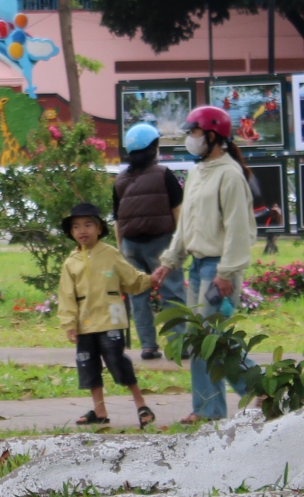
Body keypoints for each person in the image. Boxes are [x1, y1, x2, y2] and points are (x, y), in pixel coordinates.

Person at [153, 105, 256, 424]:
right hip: (198, 266)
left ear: (212, 136)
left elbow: (239, 229)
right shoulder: (197, 172)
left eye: (195, 132)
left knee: (216, 339)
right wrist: (170, 261)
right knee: (199, 338)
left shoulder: (230, 175)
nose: (190, 138)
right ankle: (207, 409)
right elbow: (186, 225)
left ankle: (261, 390)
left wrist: (226, 273)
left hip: (219, 268)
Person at [58, 203, 158, 428]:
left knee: (118, 361)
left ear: (99, 228)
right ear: (71, 232)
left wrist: (151, 279)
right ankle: (99, 410)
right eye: (76, 227)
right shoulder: (71, 263)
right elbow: (66, 296)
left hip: (110, 321)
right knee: (88, 366)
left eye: (88, 225)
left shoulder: (110, 254)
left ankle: (141, 405)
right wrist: (69, 323)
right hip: (84, 325)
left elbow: (131, 280)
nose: (82, 230)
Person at [113, 123, 186, 360]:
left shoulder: (120, 180)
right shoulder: (164, 174)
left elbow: (117, 220)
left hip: (130, 245)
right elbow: (178, 212)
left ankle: (148, 346)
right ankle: (178, 346)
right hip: (161, 243)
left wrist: (122, 249)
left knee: (138, 296)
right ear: (153, 148)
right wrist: (181, 244)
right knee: (172, 293)